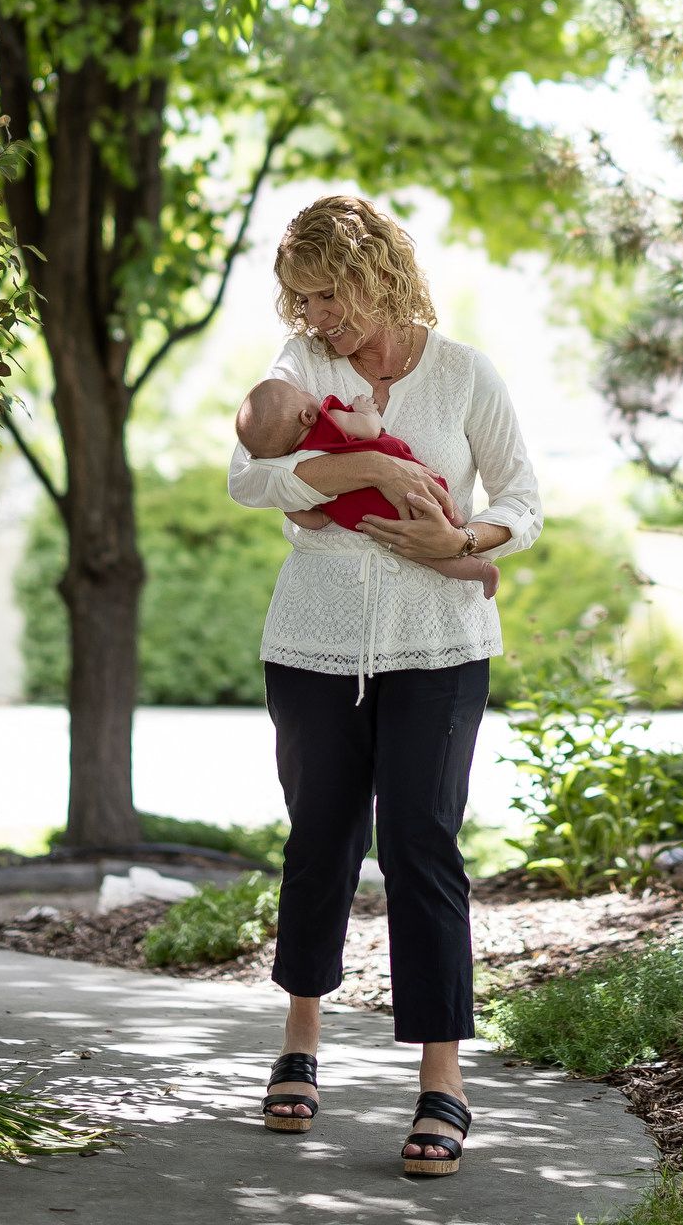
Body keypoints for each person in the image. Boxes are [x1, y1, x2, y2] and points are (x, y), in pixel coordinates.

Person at [226, 195, 541, 1178]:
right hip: (314, 646)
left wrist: (466, 541)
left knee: (421, 841)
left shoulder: (462, 372)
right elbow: (247, 477)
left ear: (381, 276)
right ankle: (300, 1041)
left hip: (442, 647)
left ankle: (442, 1080)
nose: (318, 316)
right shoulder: (303, 368)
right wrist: (355, 460)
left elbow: (524, 498)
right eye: (303, 298)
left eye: (332, 294)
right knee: (320, 837)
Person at [232, 380, 501, 595]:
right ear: (306, 417)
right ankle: (459, 525)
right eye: (301, 391)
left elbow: (315, 521)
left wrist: (290, 508)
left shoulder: (294, 469)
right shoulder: (330, 421)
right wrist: (366, 410)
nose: (306, 390)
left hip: (377, 519)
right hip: (411, 486)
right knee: (438, 511)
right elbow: (370, 430)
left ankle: (479, 571)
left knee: (425, 554)